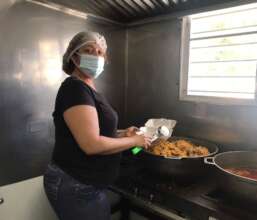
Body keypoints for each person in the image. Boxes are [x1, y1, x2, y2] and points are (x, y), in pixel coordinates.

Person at [43, 31, 151, 220]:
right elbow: (91, 144)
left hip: (86, 184)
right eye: (89, 50)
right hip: (76, 183)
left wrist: (122, 133)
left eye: (100, 52)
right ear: (74, 57)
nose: (96, 55)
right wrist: (135, 140)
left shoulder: (87, 89)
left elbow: (95, 131)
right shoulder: (75, 89)